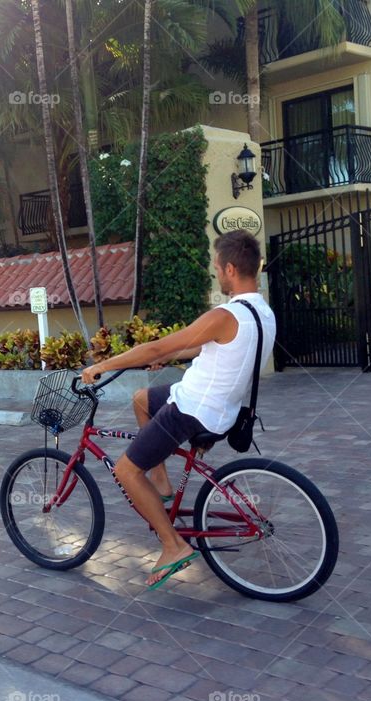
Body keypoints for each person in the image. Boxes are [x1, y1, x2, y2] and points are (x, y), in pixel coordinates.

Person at [81, 230, 276, 589]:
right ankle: (162, 483)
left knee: (125, 471)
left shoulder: (225, 314)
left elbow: (157, 348)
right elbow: (212, 349)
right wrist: (172, 355)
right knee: (141, 398)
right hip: (221, 407)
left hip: (192, 410)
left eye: (217, 266)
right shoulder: (261, 313)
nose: (215, 272)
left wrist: (102, 366)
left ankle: (173, 546)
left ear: (230, 268)